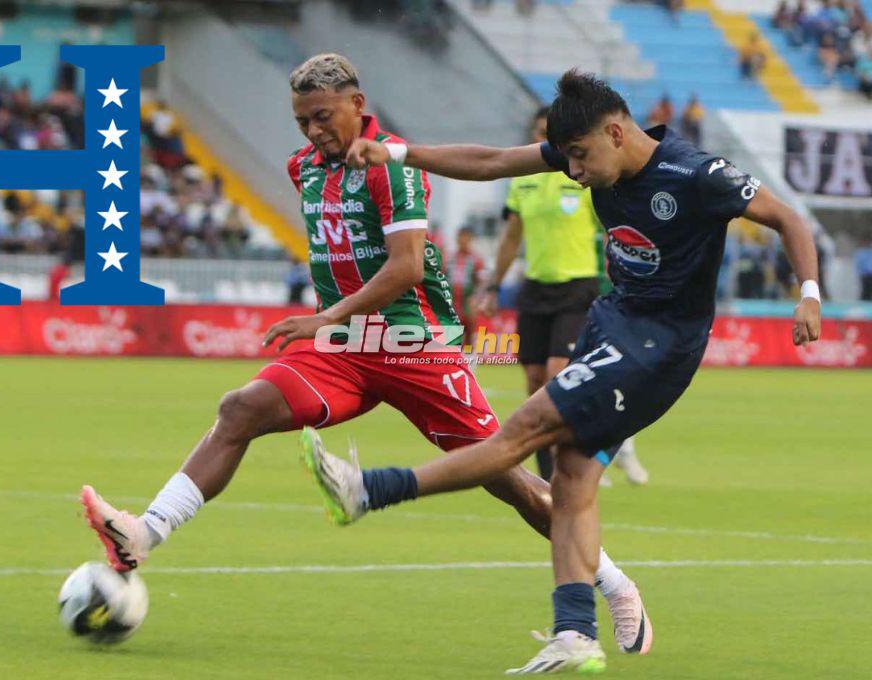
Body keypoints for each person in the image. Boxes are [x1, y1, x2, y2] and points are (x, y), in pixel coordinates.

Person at [78, 55, 650, 656]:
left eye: (322, 116)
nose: (312, 131)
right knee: (240, 408)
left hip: (416, 348)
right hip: (345, 350)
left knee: (510, 483)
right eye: (302, 121)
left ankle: (614, 585)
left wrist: (325, 316)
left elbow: (405, 268)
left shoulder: (392, 166)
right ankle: (144, 532)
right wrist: (332, 326)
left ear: (357, 104)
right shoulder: (304, 168)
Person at [306, 70, 821, 674]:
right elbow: (492, 160)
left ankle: (373, 490)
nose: (573, 171)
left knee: (524, 426)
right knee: (572, 476)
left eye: (579, 157)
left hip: (661, 343)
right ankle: (575, 631)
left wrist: (808, 291)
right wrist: (399, 151)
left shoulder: (696, 174)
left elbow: (787, 217)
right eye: (566, 158)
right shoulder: (585, 150)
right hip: (614, 322)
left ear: (615, 131)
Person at [484, 105, 647, 486]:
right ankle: (549, 477)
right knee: (534, 381)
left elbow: (613, 227)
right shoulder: (521, 182)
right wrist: (493, 284)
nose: (542, 140)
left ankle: (588, 451)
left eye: (549, 134)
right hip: (535, 288)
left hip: (577, 285)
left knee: (559, 375)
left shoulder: (580, 177)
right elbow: (511, 238)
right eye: (537, 132)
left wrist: (630, 275)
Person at [447, 225, 485, 365]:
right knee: (451, 336)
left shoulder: (476, 260)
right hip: (452, 304)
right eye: (460, 237)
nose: (462, 240)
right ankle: (451, 365)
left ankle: (470, 366)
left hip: (467, 303)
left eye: (466, 237)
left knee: (469, 336)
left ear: (470, 239)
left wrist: (476, 298)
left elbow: (481, 282)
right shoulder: (450, 258)